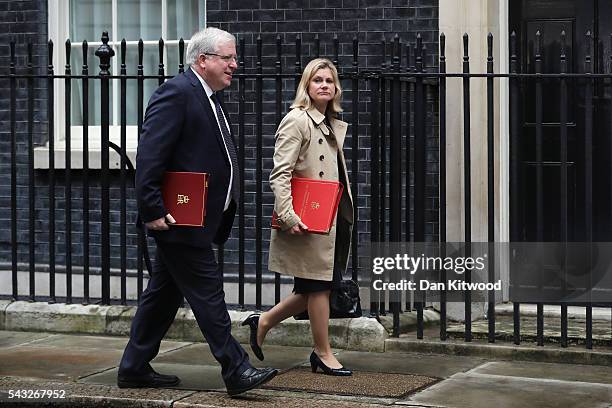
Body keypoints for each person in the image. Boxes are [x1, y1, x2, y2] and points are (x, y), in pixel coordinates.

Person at [117, 27, 278, 396]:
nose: (235, 65)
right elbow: (150, 158)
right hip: (179, 220)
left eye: (235, 58)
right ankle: (236, 369)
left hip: (197, 218)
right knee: (208, 293)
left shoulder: (207, 96)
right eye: (228, 58)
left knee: (163, 294)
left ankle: (133, 367)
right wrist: (153, 210)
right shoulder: (177, 93)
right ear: (202, 60)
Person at [243, 58, 354, 376]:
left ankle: (263, 321)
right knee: (319, 287)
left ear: (335, 88)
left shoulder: (328, 121)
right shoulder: (298, 120)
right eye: (317, 79)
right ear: (306, 85)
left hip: (327, 218)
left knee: (314, 286)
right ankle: (323, 352)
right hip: (306, 220)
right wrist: (289, 216)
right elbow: (280, 174)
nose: (324, 85)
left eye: (329, 81)